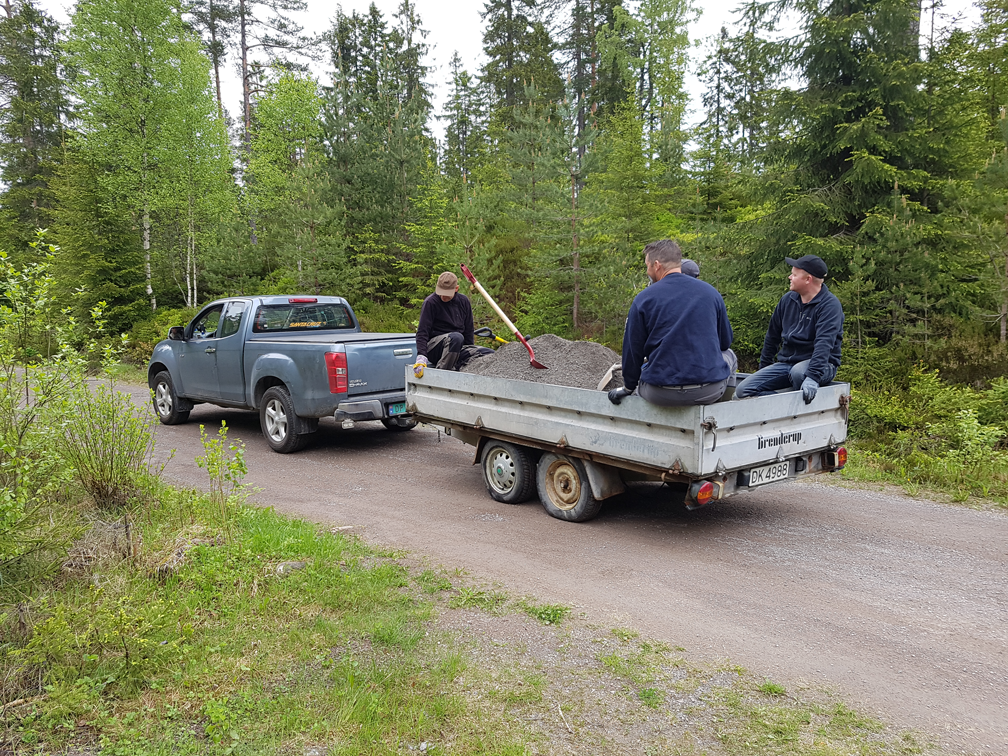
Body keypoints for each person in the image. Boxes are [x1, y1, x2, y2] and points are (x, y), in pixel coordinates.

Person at [608, 239, 737, 407]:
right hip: (707, 392)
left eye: (647, 266)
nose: (647, 271)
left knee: (646, 371)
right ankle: (723, 411)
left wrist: (628, 387)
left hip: (660, 394)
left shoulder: (644, 299)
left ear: (656, 265)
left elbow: (633, 352)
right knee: (730, 355)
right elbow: (725, 343)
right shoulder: (711, 293)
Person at [735, 254, 844, 404]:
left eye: (794, 274)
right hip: (787, 364)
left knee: (798, 372)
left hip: (822, 366)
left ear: (808, 279)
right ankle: (785, 405)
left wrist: (813, 377)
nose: (789, 277)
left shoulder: (829, 305)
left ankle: (797, 407)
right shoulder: (787, 300)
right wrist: (764, 368)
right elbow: (772, 336)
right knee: (743, 390)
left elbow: (824, 344)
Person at [414, 271, 493, 377]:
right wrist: (421, 356)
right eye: (440, 292)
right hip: (435, 348)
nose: (443, 296)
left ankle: (460, 367)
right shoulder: (431, 302)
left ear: (456, 289)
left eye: (446, 294)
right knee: (456, 338)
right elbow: (422, 332)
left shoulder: (463, 301)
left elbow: (468, 331)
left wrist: (470, 352)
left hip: (457, 348)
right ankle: (441, 375)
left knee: (488, 353)